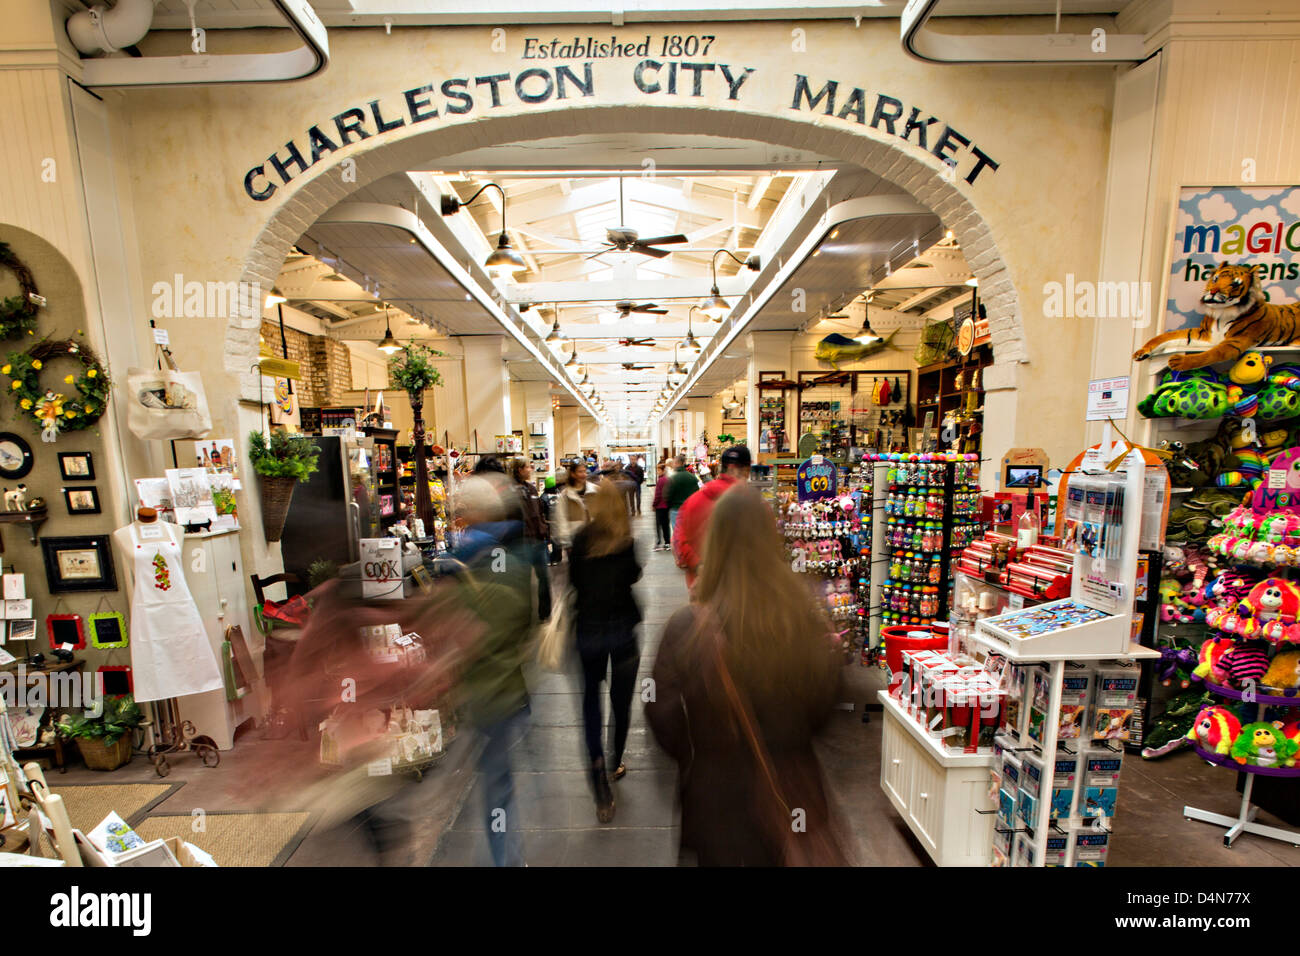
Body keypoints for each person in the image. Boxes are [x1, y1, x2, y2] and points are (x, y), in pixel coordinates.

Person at [645, 487, 845, 866]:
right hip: (789, 804)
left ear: (715, 542)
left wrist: (697, 752)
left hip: (715, 805)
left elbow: (658, 708)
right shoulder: (802, 618)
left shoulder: (687, 626)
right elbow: (825, 703)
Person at [448, 474, 535, 866]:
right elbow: (524, 624)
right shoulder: (513, 561)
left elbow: (455, 636)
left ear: (468, 516)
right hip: (508, 691)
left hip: (480, 694)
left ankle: (506, 861)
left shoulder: (456, 568)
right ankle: (508, 857)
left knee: (495, 785)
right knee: (501, 783)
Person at [568, 480, 642, 823]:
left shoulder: (581, 539)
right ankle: (615, 761)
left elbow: (574, 582)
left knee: (591, 703)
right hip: (622, 631)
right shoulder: (625, 540)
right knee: (621, 701)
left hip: (588, 631)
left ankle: (598, 776)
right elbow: (632, 576)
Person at [673, 445, 752, 589]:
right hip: (741, 590)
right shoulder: (753, 504)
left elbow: (678, 540)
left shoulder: (692, 501)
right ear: (745, 470)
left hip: (700, 588)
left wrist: (698, 566)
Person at [509, 457, 552, 620]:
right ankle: (525, 615)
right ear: (519, 470)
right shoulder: (510, 491)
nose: (531, 468)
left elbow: (539, 513)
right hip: (522, 543)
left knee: (544, 578)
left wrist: (544, 530)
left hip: (538, 541)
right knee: (524, 581)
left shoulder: (532, 489)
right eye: (528, 466)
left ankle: (545, 613)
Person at [553, 461, 591, 557]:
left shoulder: (594, 490)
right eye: (580, 472)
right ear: (573, 474)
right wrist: (566, 542)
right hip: (575, 540)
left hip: (593, 539)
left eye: (584, 471)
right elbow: (561, 519)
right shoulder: (565, 495)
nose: (583, 474)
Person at [663, 454, 699, 536]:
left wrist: (669, 506)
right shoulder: (692, 477)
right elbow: (698, 494)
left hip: (676, 510)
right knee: (689, 534)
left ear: (677, 463)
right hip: (690, 510)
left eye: (674, 463)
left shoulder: (673, 478)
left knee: (678, 535)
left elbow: (667, 496)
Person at [652, 461, 673, 552]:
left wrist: (654, 504)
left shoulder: (660, 480)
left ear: (663, 470)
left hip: (660, 506)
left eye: (658, 470)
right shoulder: (667, 479)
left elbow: (658, 494)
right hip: (666, 506)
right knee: (666, 525)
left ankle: (658, 542)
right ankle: (667, 542)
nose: (657, 472)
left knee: (658, 525)